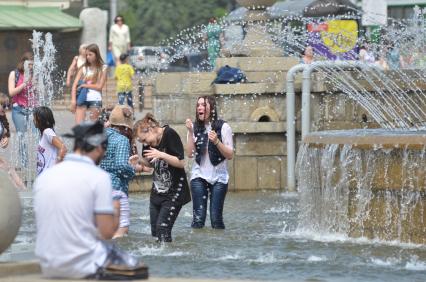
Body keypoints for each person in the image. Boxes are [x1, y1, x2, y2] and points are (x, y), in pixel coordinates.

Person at [33, 121, 148, 279]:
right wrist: (116, 205)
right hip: (82, 265)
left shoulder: (46, 177)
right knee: (136, 268)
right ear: (98, 148)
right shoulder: (98, 177)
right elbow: (107, 232)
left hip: (47, 264)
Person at [133, 113, 191, 242]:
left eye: (143, 140)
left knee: (163, 230)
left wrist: (161, 154)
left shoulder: (169, 134)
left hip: (174, 193)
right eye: (141, 142)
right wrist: (139, 161)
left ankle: (170, 259)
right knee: (155, 232)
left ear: (151, 129)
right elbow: (151, 163)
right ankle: (159, 260)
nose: (144, 143)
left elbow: (181, 162)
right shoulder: (149, 143)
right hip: (157, 193)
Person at [185, 95, 233, 229]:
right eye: (198, 105)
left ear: (211, 108)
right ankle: (198, 247)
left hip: (219, 178)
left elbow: (230, 154)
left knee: (216, 219)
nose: (200, 107)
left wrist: (217, 142)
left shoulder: (223, 127)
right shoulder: (193, 127)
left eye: (203, 105)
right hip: (198, 176)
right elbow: (190, 154)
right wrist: (189, 131)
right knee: (198, 219)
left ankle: (218, 247)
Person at [100, 105, 141, 239]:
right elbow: (121, 166)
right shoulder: (121, 140)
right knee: (120, 232)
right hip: (115, 189)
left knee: (103, 232)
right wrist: (132, 168)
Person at [8, 52, 34, 168]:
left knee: (38, 134)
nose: (30, 68)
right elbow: (11, 92)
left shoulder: (35, 74)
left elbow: (42, 93)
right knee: (22, 137)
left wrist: (37, 85)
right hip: (18, 109)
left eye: (32, 65)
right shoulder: (14, 74)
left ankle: (41, 162)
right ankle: (24, 166)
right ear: (23, 63)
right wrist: (24, 84)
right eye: (29, 65)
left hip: (33, 109)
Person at [71, 43, 108, 124]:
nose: (87, 57)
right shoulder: (83, 68)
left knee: (93, 127)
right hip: (81, 98)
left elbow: (99, 87)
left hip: (95, 98)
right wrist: (73, 100)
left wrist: (85, 85)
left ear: (96, 55)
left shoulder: (103, 68)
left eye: (90, 54)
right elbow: (74, 85)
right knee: (79, 126)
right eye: (86, 55)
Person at [0, 92, 24, 190]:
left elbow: (5, 141)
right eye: (3, 105)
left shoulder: (2, 118)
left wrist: (5, 138)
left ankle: (24, 193)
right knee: (8, 172)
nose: (6, 108)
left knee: (10, 170)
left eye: (8, 105)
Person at [33, 106, 67, 175]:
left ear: (40, 119)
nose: (33, 120)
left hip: (49, 175)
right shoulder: (44, 133)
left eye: (34, 117)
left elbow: (63, 148)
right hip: (44, 176)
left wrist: (56, 166)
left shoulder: (47, 132)